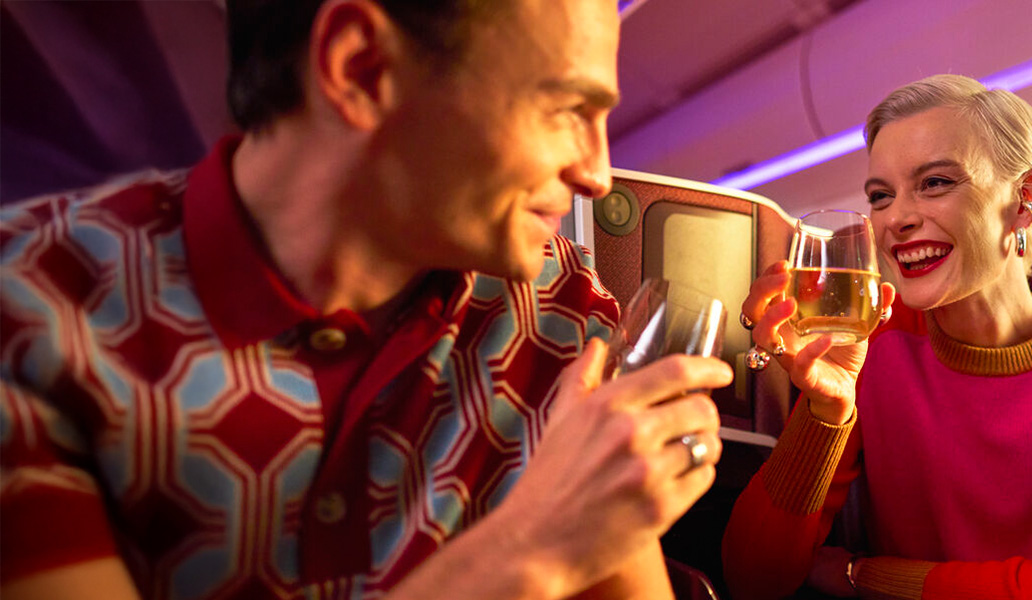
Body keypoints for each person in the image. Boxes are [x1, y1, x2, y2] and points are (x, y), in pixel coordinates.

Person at [0, 1, 733, 598]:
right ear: (362, 68)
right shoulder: (32, 308)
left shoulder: (562, 313)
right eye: (565, 107)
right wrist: (530, 549)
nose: (599, 174)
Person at [722, 74, 1032, 600]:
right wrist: (826, 412)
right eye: (881, 196)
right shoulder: (871, 345)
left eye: (934, 183)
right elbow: (754, 580)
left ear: (1024, 201)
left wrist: (859, 575)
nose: (897, 219)